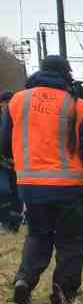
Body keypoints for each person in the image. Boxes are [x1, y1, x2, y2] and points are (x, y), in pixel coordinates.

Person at [0, 56, 83, 304]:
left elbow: (4, 144)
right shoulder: (77, 104)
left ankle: (24, 280)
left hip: (31, 186)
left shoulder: (17, 101)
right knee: (71, 240)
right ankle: (62, 295)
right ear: (67, 73)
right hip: (70, 187)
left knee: (38, 234)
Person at [0, 92, 22, 233]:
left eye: (10, 101)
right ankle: (4, 221)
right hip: (2, 163)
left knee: (18, 194)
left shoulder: (20, 119)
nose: (8, 104)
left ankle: (14, 224)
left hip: (17, 162)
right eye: (6, 101)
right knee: (3, 190)